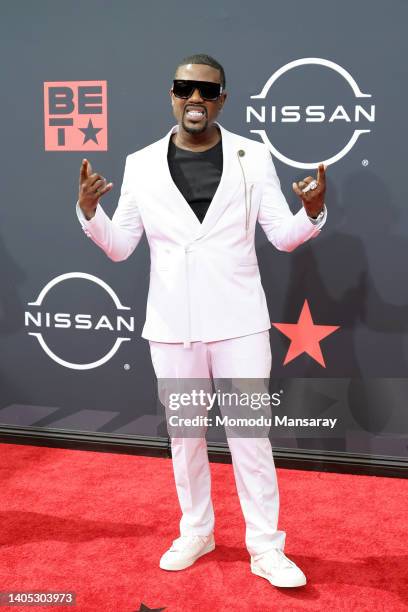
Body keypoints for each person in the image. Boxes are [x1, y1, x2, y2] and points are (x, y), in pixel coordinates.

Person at [76, 53, 327, 589]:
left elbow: (281, 235)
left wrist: (310, 213)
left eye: (207, 91)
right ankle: (197, 529)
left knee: (250, 436)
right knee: (186, 436)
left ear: (222, 100)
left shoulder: (252, 157)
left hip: (239, 321)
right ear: (171, 94)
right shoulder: (140, 164)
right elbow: (121, 248)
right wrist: (91, 213)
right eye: (185, 88)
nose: (196, 98)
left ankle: (265, 546)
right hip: (173, 326)